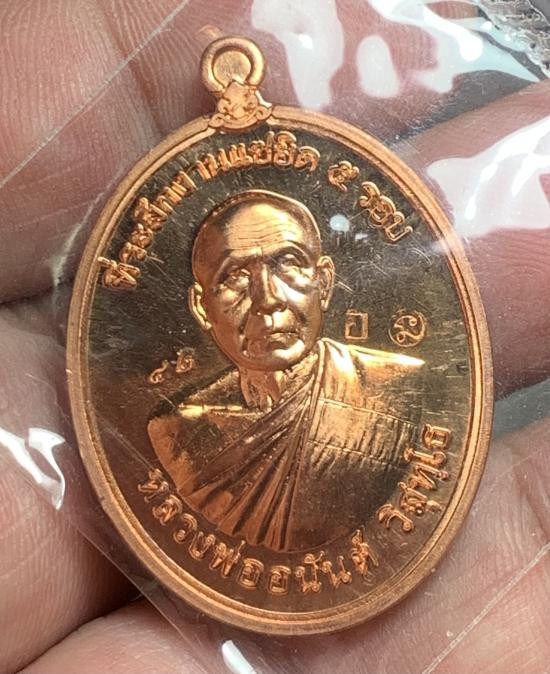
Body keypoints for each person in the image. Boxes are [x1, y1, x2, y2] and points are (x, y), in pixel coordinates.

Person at [148, 190, 424, 551]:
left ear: (324, 283)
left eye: (288, 264)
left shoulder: (397, 391)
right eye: (235, 276)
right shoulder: (178, 431)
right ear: (202, 308)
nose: (268, 299)